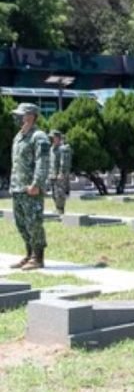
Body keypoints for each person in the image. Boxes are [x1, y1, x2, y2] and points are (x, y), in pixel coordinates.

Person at [9, 103, 50, 271]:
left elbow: (43, 163)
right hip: (18, 187)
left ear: (31, 116)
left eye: (21, 114)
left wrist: (37, 184)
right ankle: (29, 254)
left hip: (31, 188)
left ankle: (38, 257)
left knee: (34, 223)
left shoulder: (38, 136)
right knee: (22, 224)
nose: (17, 117)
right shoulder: (19, 136)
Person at [48, 130, 72, 215]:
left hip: (60, 175)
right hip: (52, 175)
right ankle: (57, 208)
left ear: (58, 138)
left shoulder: (63, 148)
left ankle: (61, 210)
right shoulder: (51, 148)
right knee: (54, 194)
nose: (51, 139)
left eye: (52, 137)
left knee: (60, 194)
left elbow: (64, 162)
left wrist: (62, 173)